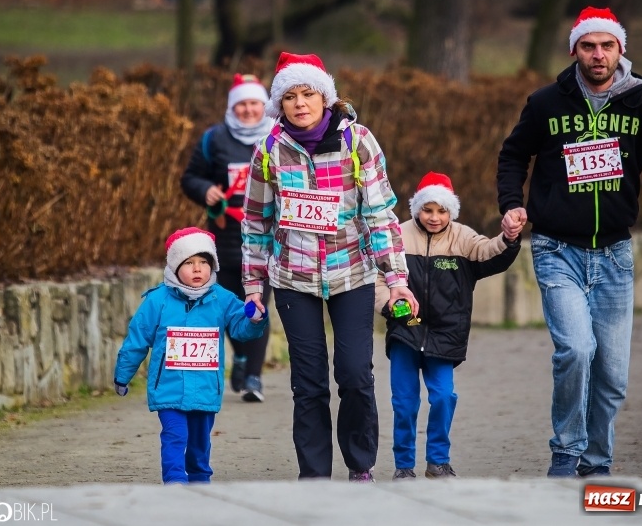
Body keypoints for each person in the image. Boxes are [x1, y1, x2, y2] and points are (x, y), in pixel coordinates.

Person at [496, 6, 642, 477]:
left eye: (607, 45)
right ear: (575, 51)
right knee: (576, 350)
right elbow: (512, 155)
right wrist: (511, 203)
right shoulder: (546, 102)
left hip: (613, 255)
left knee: (613, 378)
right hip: (556, 250)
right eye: (588, 46)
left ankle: (596, 464)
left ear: (620, 50)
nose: (598, 54)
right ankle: (566, 456)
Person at [241, 51, 418, 483]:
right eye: (290, 96)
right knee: (308, 381)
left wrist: (396, 280)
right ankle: (314, 476)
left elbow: (381, 214)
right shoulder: (268, 150)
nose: (300, 103)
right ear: (279, 105)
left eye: (309, 94)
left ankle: (360, 463)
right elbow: (255, 220)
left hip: (352, 272)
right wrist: (252, 286)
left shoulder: (358, 142)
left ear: (326, 98)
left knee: (355, 373)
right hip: (293, 276)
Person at [375, 171, 523, 481]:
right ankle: (404, 466)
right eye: (427, 210)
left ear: (451, 211)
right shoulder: (397, 236)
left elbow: (489, 251)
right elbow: (377, 278)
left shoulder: (464, 238)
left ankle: (438, 461)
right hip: (405, 331)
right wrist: (389, 304)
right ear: (417, 208)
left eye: (441, 210)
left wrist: (508, 238)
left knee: (443, 396)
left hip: (445, 335)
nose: (434, 217)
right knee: (404, 402)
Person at [113, 227, 269, 484]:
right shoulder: (157, 301)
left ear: (212, 266)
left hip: (206, 389)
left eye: (204, 263)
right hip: (169, 389)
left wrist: (255, 319)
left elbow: (241, 330)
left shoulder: (222, 299)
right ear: (174, 267)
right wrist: (122, 376)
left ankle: (199, 480)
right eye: (188, 263)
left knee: (199, 441)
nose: (197, 269)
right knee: (174, 436)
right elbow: (137, 340)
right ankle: (175, 482)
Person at [181, 73, 275, 402]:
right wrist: (204, 189)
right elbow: (190, 178)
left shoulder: (279, 137)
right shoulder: (214, 139)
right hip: (224, 238)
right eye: (243, 104)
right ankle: (243, 356)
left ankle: (253, 378)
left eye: (255, 103)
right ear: (232, 107)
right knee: (228, 306)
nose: (249, 110)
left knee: (258, 305)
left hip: (266, 239)